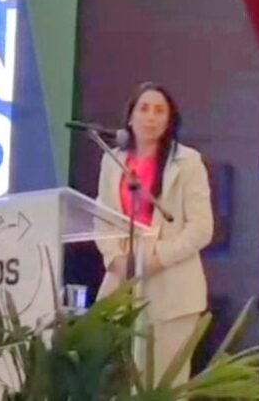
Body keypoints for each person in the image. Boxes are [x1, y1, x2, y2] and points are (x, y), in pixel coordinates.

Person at [95, 82, 213, 385]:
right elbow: (101, 219)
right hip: (122, 281)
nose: (150, 117)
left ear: (170, 119)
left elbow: (201, 229)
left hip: (173, 288)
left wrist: (157, 258)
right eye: (144, 109)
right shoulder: (113, 160)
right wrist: (114, 259)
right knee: (109, 380)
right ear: (130, 117)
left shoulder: (188, 162)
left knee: (163, 386)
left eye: (159, 110)